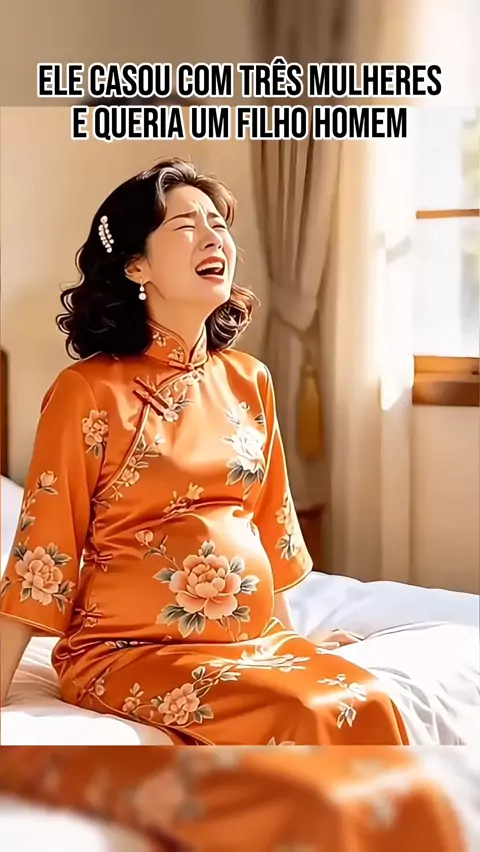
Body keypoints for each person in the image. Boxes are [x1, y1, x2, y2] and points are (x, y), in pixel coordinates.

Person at [0, 158, 408, 745]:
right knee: (307, 714)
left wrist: (291, 644)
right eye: (186, 226)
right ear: (136, 265)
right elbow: (43, 554)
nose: (213, 236)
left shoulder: (249, 379)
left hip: (251, 645)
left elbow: (268, 526)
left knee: (367, 700)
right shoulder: (86, 391)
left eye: (219, 224)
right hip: (126, 651)